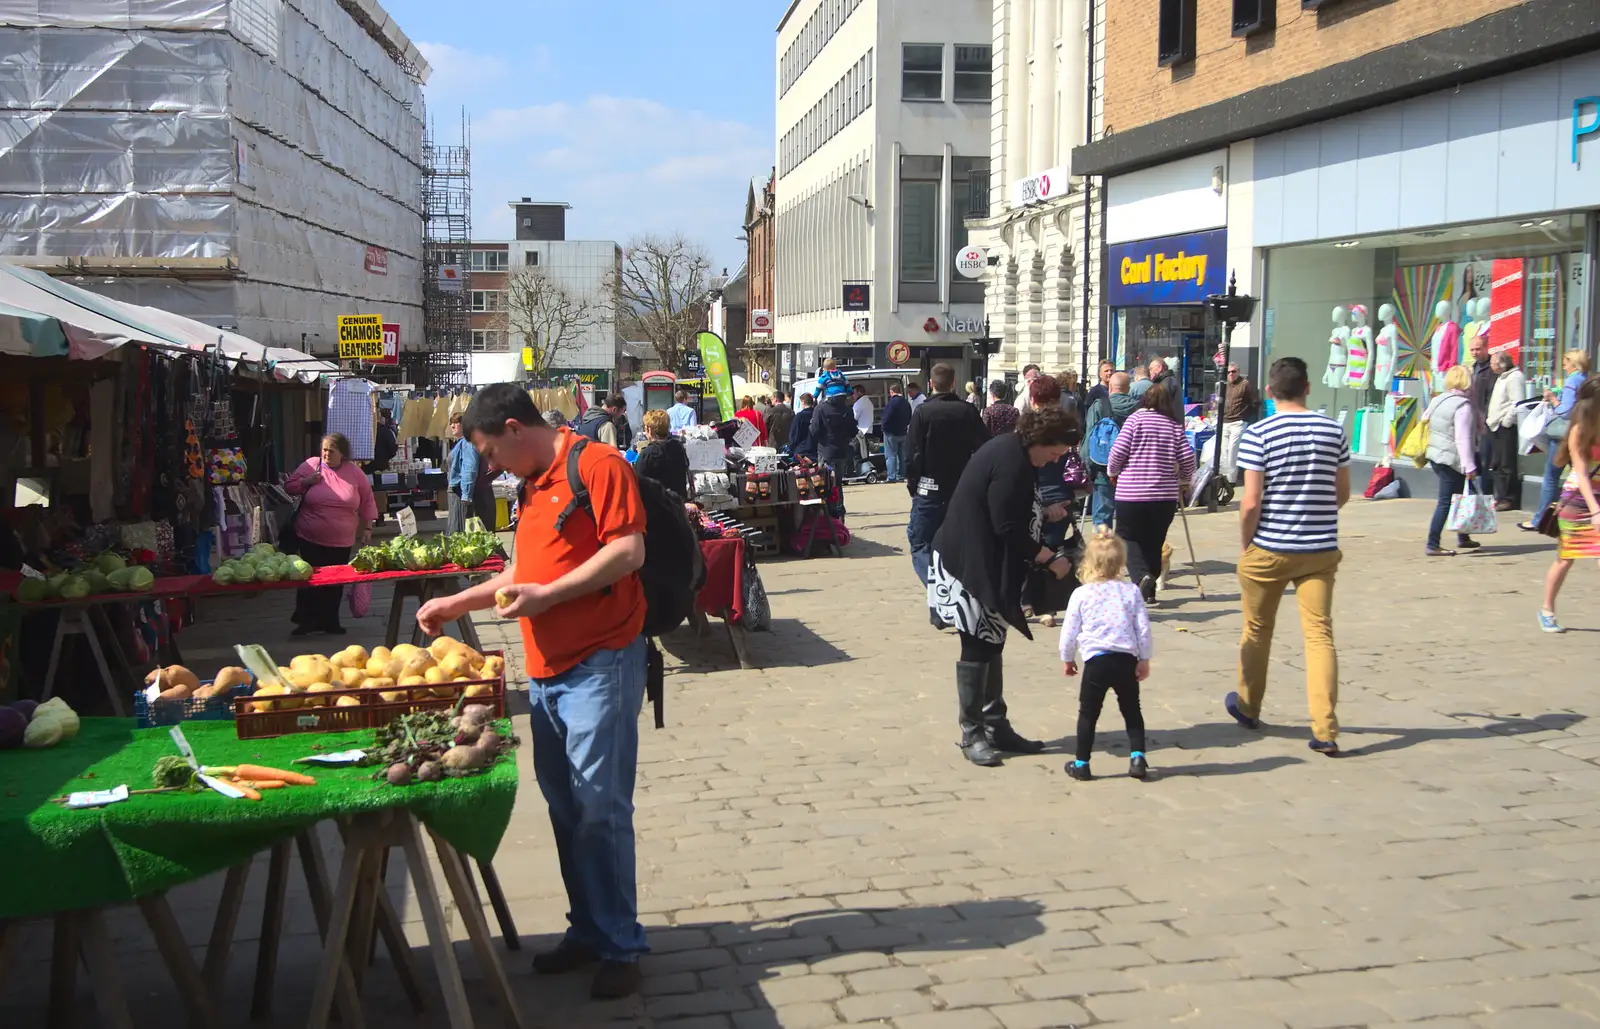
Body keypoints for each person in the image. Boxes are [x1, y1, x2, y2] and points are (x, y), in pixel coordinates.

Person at [416, 384, 650, 999]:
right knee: (566, 808)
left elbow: (628, 551)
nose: (490, 467)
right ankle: (588, 930)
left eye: (493, 452)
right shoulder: (529, 486)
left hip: (601, 661)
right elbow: (524, 572)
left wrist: (549, 597)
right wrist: (456, 599)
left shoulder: (596, 465)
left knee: (601, 807)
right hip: (544, 671)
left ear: (517, 428)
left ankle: (622, 943)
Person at [928, 405, 1078, 766]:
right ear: (1040, 440)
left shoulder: (1017, 453)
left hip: (985, 561)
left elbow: (1010, 510)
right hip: (968, 567)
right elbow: (1006, 526)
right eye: (1054, 453)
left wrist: (1043, 513)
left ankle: (995, 725)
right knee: (977, 646)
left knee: (992, 643)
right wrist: (1049, 558)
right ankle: (972, 733)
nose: (1053, 461)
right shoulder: (1011, 459)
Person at [1228, 356, 1351, 756]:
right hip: (1318, 548)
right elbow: (1342, 493)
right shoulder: (1333, 430)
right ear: (1308, 388)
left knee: (1257, 629)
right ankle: (1325, 728)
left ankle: (1248, 706)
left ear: (1268, 392)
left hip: (1270, 544)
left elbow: (1250, 502)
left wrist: (1246, 544)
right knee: (1319, 635)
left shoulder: (1259, 433)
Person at [1059, 530, 1154, 782]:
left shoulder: (1081, 594)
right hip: (1126, 659)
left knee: (1088, 713)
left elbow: (1069, 630)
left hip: (1097, 662)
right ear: (1121, 562)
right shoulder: (1131, 591)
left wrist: (1067, 658)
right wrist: (1144, 658)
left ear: (1087, 562)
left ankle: (1082, 763)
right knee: (1132, 709)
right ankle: (1138, 758)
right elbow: (1142, 628)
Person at [1107, 383, 1195, 605]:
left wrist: (1112, 471)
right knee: (1154, 542)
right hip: (1163, 496)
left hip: (1132, 493)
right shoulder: (1173, 425)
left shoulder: (1134, 420)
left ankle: (1141, 577)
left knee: (1126, 536)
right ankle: (1150, 591)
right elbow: (1187, 458)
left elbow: (1118, 451)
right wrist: (1184, 480)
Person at [905, 363, 988, 589]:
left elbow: (913, 453)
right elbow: (984, 449)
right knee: (956, 543)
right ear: (953, 384)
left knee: (921, 542)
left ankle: (938, 592)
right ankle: (951, 591)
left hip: (929, 487)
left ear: (931, 384)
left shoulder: (922, 412)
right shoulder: (967, 411)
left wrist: (913, 484)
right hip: (961, 487)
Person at [284, 433, 376, 636]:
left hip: (341, 540)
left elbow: (368, 500)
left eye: (331, 451)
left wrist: (367, 528)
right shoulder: (311, 465)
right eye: (324, 449)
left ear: (342, 454)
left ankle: (330, 621)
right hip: (309, 535)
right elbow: (289, 486)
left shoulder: (354, 473)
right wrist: (307, 481)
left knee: (334, 581)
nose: (326, 454)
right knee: (310, 579)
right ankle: (305, 621)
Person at [1538, 377, 1600, 632]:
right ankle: (1546, 609)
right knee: (1566, 558)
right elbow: (1582, 474)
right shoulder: (1578, 430)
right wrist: (1595, 510)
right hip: (1577, 500)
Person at [1028, 376, 1082, 627]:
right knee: (1054, 548)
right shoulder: (1066, 425)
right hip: (1061, 493)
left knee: (1034, 549)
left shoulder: (1032, 427)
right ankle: (1049, 606)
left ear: (1033, 399)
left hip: (1037, 494)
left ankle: (1030, 601)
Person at [1523, 350, 1593, 531]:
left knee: (1551, 477)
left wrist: (1554, 399)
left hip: (1563, 435)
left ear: (1573, 363)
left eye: (1565, 362)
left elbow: (1565, 411)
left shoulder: (1571, 381)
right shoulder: (1587, 380)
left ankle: (1541, 519)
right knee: (1581, 474)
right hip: (1584, 432)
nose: (1563, 365)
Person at [1421, 363, 1480, 557]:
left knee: (1461, 496)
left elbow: (1425, 417)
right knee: (1446, 501)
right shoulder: (1463, 406)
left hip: (1436, 454)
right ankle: (1432, 543)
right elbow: (1462, 438)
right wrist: (1469, 466)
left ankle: (1463, 536)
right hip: (1451, 457)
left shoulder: (1439, 400)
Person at [1082, 372, 1138, 530]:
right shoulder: (1138, 408)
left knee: (1102, 516)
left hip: (1103, 470)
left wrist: (1088, 469)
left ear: (1110, 387)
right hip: (1131, 472)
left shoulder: (1099, 405)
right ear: (1128, 388)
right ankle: (1127, 552)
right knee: (1128, 519)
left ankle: (1103, 552)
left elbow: (1090, 438)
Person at [1486, 352, 1528, 511]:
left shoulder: (1514, 377)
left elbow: (1517, 402)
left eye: (1493, 362)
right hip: (1494, 425)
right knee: (1497, 464)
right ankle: (1499, 496)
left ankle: (1509, 499)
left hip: (1505, 427)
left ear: (1501, 364)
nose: (1490, 365)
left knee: (1506, 464)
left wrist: (1507, 421)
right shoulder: (1502, 377)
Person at [634, 408, 690, 499]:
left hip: (657, 508)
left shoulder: (648, 454)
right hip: (677, 506)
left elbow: (637, 482)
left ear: (649, 429)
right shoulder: (678, 447)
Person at [1220, 362, 1261, 484]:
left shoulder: (1245, 384)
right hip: (1225, 421)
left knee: (1233, 450)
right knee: (1224, 450)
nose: (1231, 374)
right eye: (1228, 372)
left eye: (1233, 371)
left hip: (1238, 421)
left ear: (1238, 372)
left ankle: (1231, 480)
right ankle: (1225, 478)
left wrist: (1246, 415)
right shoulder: (1225, 385)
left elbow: (1255, 401)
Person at [1468, 332, 1495, 497]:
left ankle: (1486, 493)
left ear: (1486, 348)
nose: (1475, 353)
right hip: (1474, 418)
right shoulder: (1474, 368)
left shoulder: (1492, 368)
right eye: (1472, 350)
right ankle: (1475, 492)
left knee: (1486, 459)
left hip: (1486, 420)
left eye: (1478, 349)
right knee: (1475, 456)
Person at [446, 413, 479, 533]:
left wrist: (466, 494)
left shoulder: (468, 443)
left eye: (456, 422)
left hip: (460, 493)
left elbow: (470, 469)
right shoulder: (461, 442)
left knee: (458, 531)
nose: (452, 426)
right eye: (451, 423)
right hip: (456, 492)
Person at [880, 382, 913, 483]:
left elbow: (886, 418)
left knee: (891, 455)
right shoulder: (906, 403)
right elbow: (909, 418)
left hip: (891, 433)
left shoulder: (891, 403)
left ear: (892, 392)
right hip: (903, 432)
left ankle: (891, 477)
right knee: (902, 455)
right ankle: (901, 476)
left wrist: (884, 427)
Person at [789, 392, 817, 459]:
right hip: (815, 449)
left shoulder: (800, 416)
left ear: (803, 401)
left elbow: (794, 433)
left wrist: (791, 447)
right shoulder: (817, 415)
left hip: (801, 450)